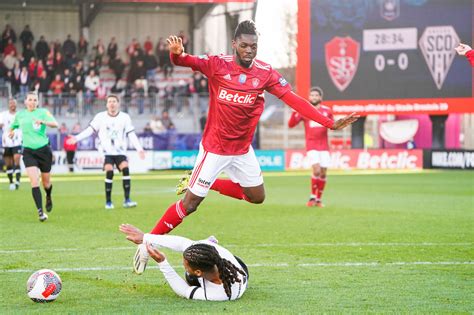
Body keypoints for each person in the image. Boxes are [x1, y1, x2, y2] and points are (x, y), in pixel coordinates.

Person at [131, 20, 358, 273]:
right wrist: (176, 54)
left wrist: (328, 123)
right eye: (244, 45)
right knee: (191, 204)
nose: (249, 50)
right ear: (234, 45)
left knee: (257, 197)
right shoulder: (218, 64)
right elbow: (186, 61)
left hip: (242, 150)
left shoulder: (265, 73)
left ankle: (211, 184)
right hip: (215, 149)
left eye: (254, 46)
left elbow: (293, 100)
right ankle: (146, 242)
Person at [119, 224, 248, 301]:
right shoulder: (213, 252)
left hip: (237, 276)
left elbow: (184, 291)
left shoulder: (217, 294)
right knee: (197, 248)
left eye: (185, 264)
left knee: (189, 278)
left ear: (199, 272)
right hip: (232, 263)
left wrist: (162, 262)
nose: (183, 264)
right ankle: (204, 241)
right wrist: (145, 238)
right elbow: (181, 243)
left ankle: (203, 243)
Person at [67, 94, 146, 209]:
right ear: (106, 104)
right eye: (110, 101)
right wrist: (76, 138)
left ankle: (127, 200)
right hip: (106, 152)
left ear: (118, 103)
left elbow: (131, 134)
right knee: (109, 171)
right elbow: (90, 130)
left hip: (120, 152)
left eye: (114, 101)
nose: (112, 103)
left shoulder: (125, 117)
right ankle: (108, 202)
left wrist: (139, 149)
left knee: (126, 169)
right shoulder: (100, 117)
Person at [10, 92, 58, 222]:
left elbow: (55, 124)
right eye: (30, 100)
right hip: (28, 151)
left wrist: (43, 121)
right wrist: (11, 132)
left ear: (37, 102)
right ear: (25, 102)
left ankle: (48, 195)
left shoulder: (43, 112)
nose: (32, 102)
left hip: (44, 151)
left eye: (35, 100)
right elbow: (13, 126)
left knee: (46, 183)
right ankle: (40, 212)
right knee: (34, 181)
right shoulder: (20, 115)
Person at [288, 86, 332, 207]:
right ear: (309, 97)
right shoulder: (305, 111)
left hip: (324, 146)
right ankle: (312, 197)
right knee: (316, 170)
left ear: (320, 98)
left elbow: (332, 125)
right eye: (312, 95)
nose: (314, 97)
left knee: (323, 173)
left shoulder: (327, 111)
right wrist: (293, 112)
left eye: (316, 95)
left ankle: (318, 199)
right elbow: (291, 125)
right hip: (311, 145)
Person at [0, 98, 22, 190]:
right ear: (8, 105)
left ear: (16, 105)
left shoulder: (20, 115)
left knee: (17, 158)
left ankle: (17, 181)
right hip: (7, 142)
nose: (12, 105)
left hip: (17, 141)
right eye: (11, 103)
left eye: (14, 103)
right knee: (8, 163)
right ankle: (11, 182)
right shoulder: (3, 115)